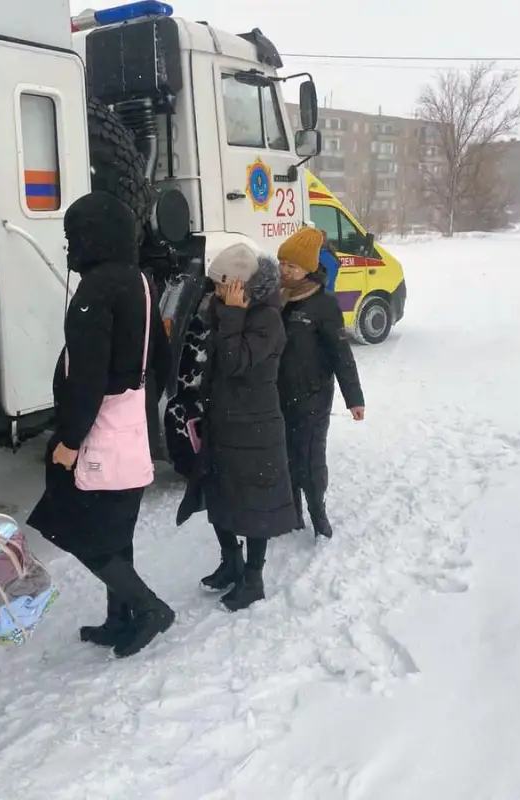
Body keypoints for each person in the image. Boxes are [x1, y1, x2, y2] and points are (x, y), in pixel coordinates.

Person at [27, 191, 174, 659]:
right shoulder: (141, 281)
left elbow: (86, 375)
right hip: (132, 434)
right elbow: (163, 361)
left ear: (94, 236)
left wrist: (70, 439)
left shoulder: (96, 289)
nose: (70, 247)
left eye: (74, 236)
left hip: (97, 436)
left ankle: (148, 608)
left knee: (77, 530)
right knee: (116, 530)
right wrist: (140, 403)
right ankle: (119, 617)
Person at [177, 244, 297, 612]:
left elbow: (234, 362)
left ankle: (253, 577)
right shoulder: (225, 310)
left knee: (254, 504)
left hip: (255, 428)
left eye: (219, 287)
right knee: (220, 494)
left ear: (238, 287)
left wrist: (230, 315)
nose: (214, 294)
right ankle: (230, 561)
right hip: (223, 422)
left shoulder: (268, 319)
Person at [276, 226, 365, 540]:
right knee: (285, 456)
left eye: (293, 266)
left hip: (313, 395)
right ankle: (293, 513)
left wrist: (354, 398)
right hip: (279, 394)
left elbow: (341, 354)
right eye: (282, 263)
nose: (285, 271)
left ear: (309, 269)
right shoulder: (276, 299)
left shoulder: (324, 305)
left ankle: (318, 513)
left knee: (310, 458)